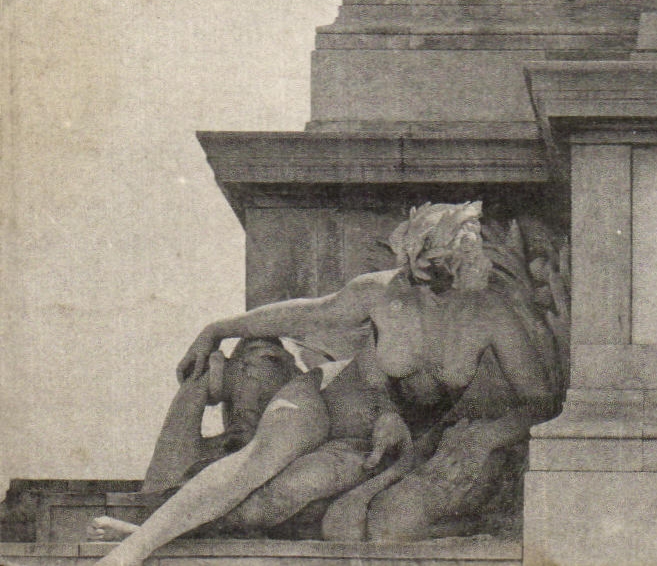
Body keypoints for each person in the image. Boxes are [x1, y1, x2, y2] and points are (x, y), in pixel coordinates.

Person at [92, 203, 564, 566]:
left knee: (277, 501)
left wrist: (488, 436)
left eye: (447, 270)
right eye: (424, 269)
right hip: (320, 400)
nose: (427, 282)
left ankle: (149, 532)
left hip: (370, 446)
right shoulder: (380, 292)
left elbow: (540, 401)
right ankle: (131, 551)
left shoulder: (491, 317)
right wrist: (218, 328)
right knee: (261, 460)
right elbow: (304, 312)